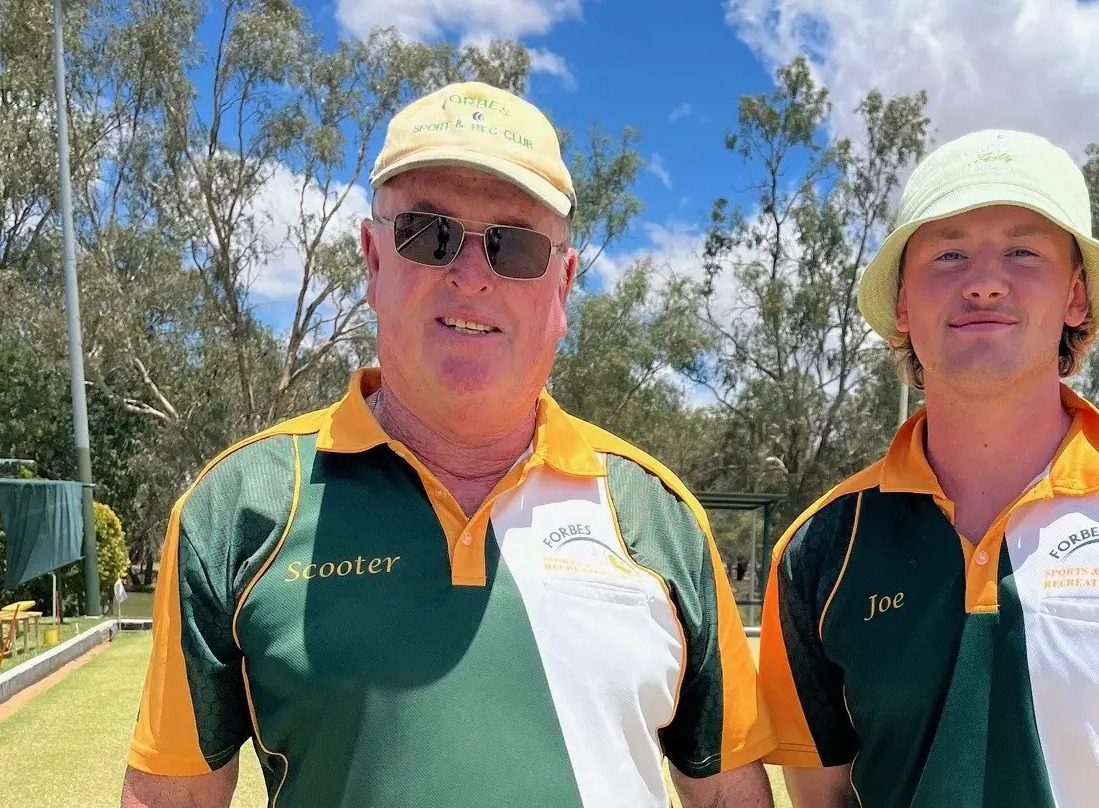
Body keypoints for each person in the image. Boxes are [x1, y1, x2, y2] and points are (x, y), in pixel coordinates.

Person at [122, 81, 776, 808]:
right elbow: (168, 798)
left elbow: (727, 796)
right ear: (373, 258)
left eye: (514, 245)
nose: (470, 277)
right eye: (428, 234)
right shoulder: (237, 508)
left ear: (562, 283)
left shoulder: (661, 517)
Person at [757, 129, 1099, 808]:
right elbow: (821, 798)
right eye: (949, 254)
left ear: (1076, 296)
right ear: (902, 303)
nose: (985, 282)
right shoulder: (817, 548)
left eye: (1023, 252)